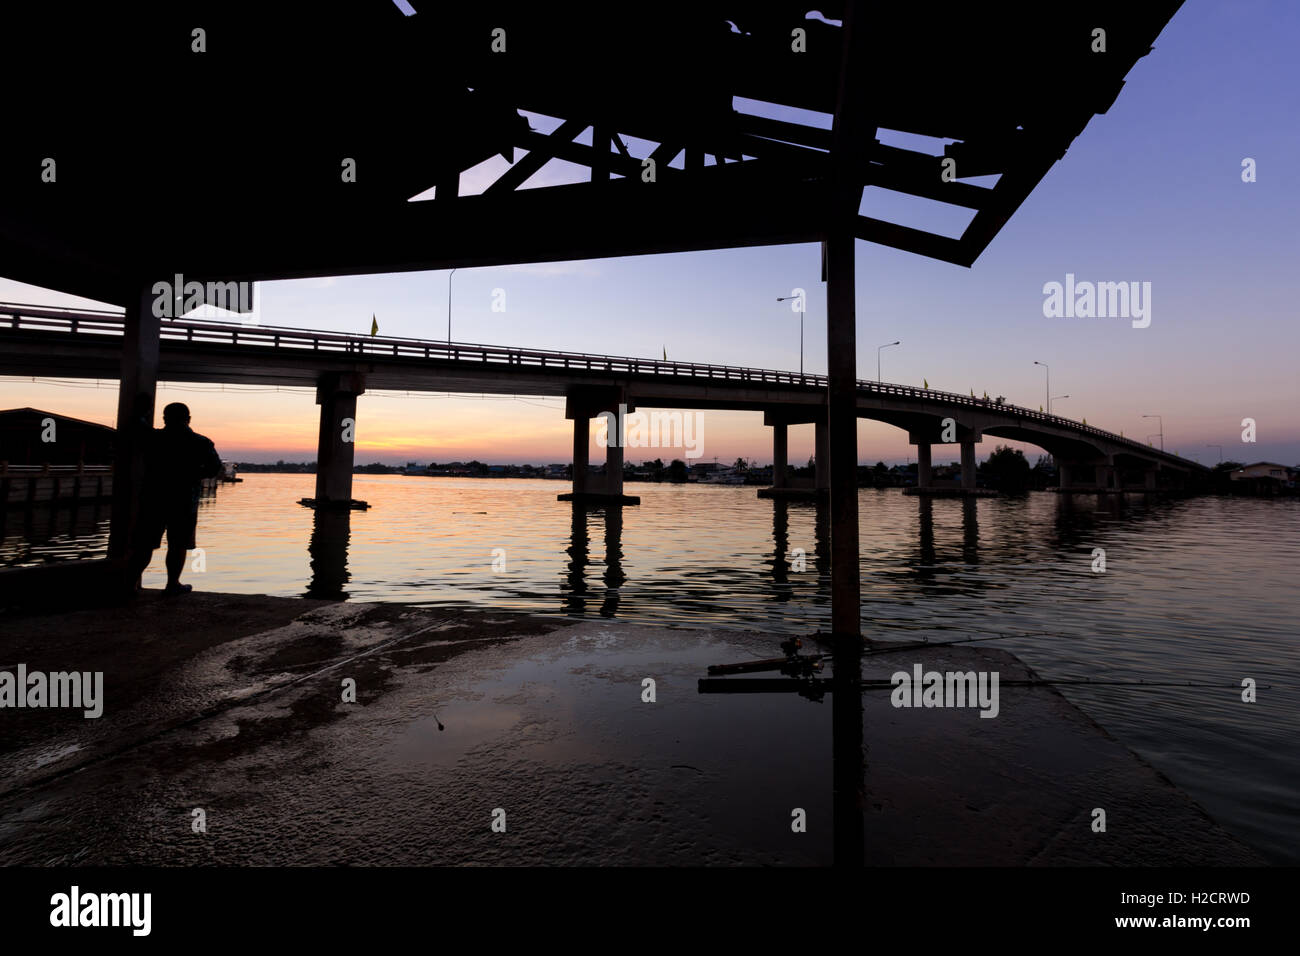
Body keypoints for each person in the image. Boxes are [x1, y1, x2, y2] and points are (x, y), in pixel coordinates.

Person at [129, 402, 223, 595]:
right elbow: (214, 469)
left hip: (154, 499)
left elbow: (138, 426)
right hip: (184, 501)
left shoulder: (153, 438)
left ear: (165, 419)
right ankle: (172, 584)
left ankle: (129, 584)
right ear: (188, 419)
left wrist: (141, 412)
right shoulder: (201, 442)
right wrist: (194, 474)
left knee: (145, 544)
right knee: (178, 545)